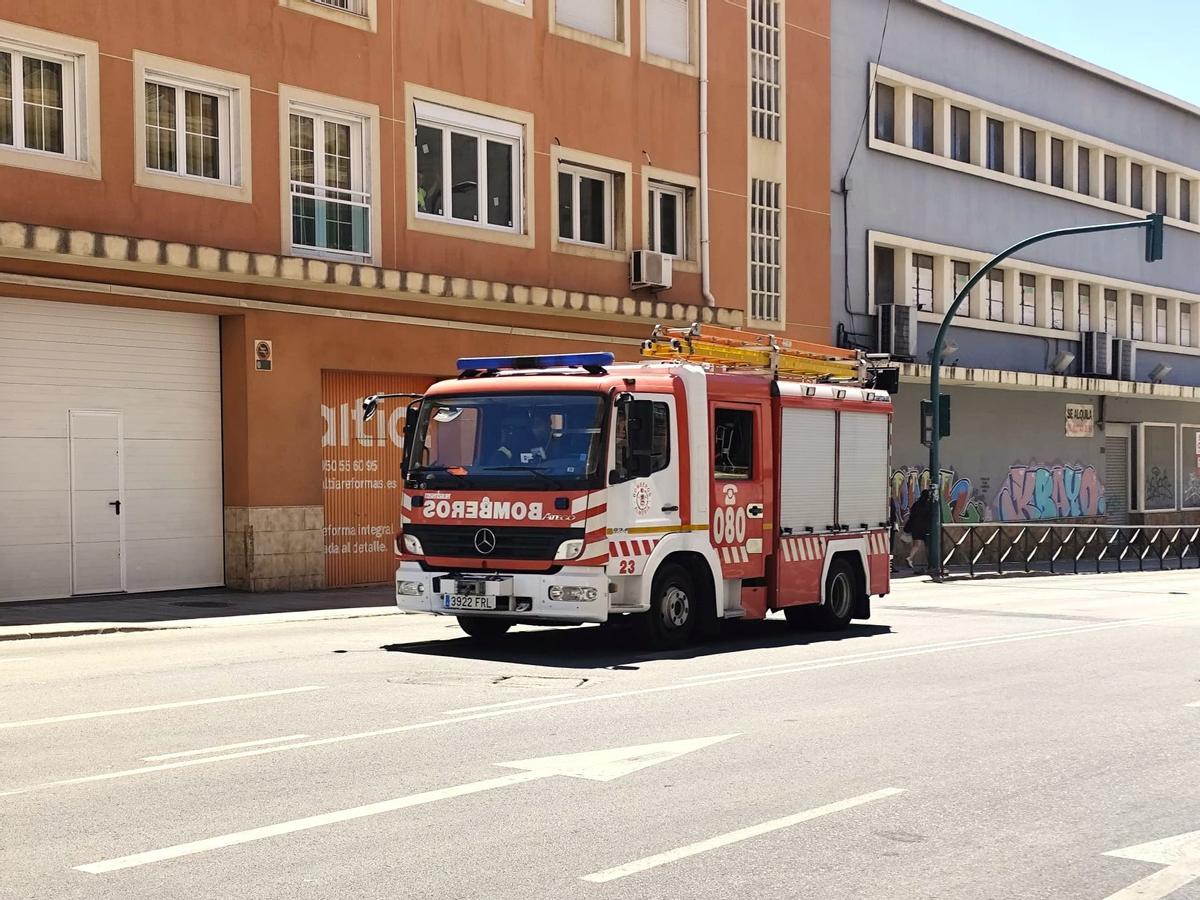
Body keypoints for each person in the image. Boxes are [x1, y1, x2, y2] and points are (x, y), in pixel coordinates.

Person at [904, 487, 937, 573]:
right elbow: (931, 516)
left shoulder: (916, 504)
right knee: (928, 545)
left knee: (916, 545)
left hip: (915, 527)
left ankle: (910, 557)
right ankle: (930, 562)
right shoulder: (929, 505)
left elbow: (912, 515)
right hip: (925, 528)